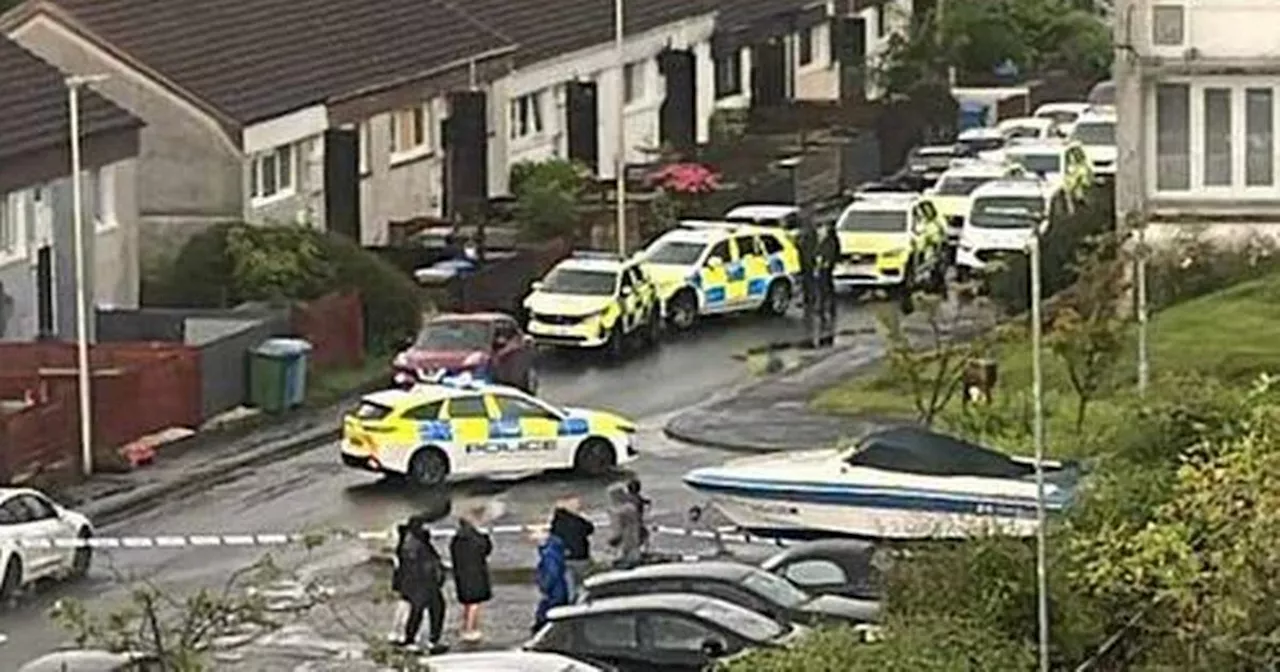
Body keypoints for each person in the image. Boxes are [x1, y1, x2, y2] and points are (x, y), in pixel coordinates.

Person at [393, 515, 448, 653]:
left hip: (418, 583)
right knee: (430, 610)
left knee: (420, 611)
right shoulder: (415, 544)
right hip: (422, 583)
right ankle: (424, 640)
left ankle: (414, 639)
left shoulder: (408, 541)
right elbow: (424, 564)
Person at [449, 506, 493, 643]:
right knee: (474, 604)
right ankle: (470, 629)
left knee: (468, 604)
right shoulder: (477, 538)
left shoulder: (456, 539)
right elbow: (486, 550)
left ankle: (465, 627)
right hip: (476, 575)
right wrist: (486, 536)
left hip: (462, 575)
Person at [550, 497, 594, 602]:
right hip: (582, 556)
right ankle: (585, 600)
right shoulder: (577, 521)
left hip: (567, 558)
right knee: (585, 582)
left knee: (571, 584)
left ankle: (572, 602)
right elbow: (590, 529)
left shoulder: (557, 524)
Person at [533, 531, 569, 633]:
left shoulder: (549, 554)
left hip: (554, 593)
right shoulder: (555, 552)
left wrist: (544, 586)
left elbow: (551, 574)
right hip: (557, 591)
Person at [607, 483, 644, 569]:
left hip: (624, 548)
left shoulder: (619, 512)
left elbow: (617, 533)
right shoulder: (631, 508)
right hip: (634, 544)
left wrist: (610, 543)